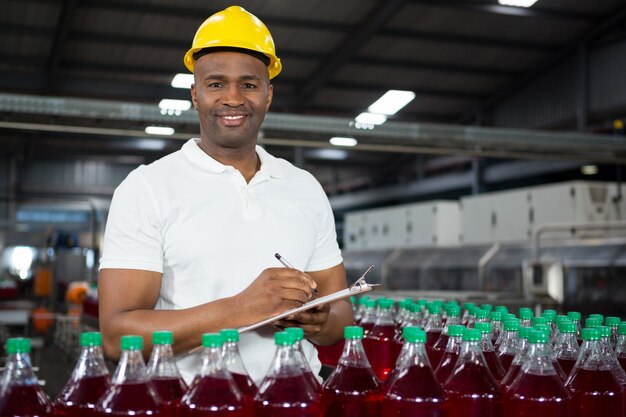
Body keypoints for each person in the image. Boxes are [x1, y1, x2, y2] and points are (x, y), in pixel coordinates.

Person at [97, 5, 352, 384]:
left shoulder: (304, 187)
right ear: (195, 94)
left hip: (296, 399)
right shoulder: (147, 187)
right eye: (216, 84)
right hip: (191, 401)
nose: (233, 98)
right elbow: (118, 338)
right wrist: (241, 309)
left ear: (268, 95)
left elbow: (341, 316)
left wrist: (318, 320)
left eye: (249, 84)